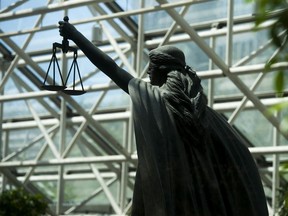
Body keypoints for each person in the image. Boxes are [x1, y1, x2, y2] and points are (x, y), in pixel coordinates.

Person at [58, 19, 268, 216]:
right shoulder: (211, 118)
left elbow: (112, 68)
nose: (148, 72)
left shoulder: (157, 100)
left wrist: (76, 36)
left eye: (152, 67)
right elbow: (240, 160)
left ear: (163, 70)